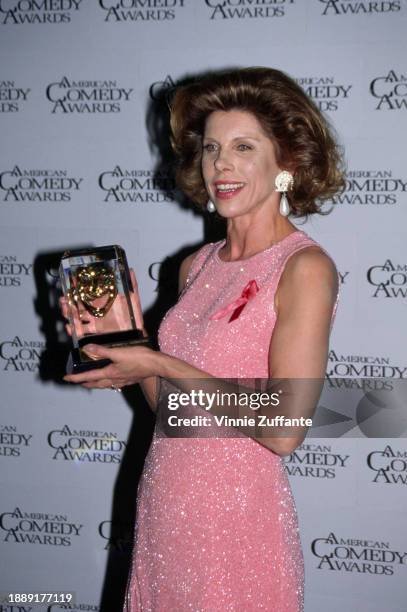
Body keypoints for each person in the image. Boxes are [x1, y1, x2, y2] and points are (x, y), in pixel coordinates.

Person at [63, 67, 344, 611]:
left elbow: (284, 430)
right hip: (166, 507)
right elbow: (175, 412)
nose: (221, 164)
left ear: (285, 162)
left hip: (237, 521)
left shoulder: (304, 267)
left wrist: (161, 361)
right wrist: (129, 350)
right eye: (212, 147)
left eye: (243, 146)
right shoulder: (197, 266)